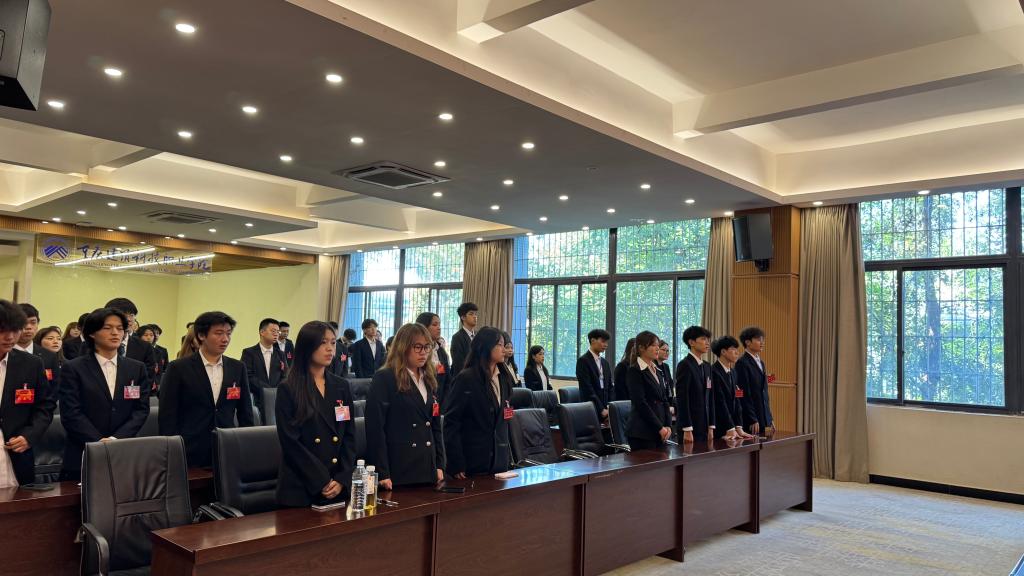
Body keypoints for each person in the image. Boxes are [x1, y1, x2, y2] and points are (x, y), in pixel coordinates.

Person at [58, 308, 150, 481]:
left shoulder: (136, 368)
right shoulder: (74, 368)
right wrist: (99, 442)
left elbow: (141, 410)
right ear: (92, 333)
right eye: (107, 328)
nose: (115, 333)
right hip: (83, 451)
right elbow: (71, 412)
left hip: (124, 450)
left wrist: (116, 439)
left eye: (120, 328)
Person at [275, 321, 357, 508]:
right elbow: (290, 442)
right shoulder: (288, 388)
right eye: (323, 343)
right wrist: (322, 480)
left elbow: (349, 435)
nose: (330, 348)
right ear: (307, 346)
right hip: (302, 486)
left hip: (337, 485)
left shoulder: (341, 386)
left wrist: (342, 478)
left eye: (333, 342)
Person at [159, 311, 255, 467]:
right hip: (190, 448)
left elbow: (245, 412)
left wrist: (246, 444)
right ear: (201, 335)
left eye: (228, 333)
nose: (225, 339)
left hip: (227, 447)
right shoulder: (178, 368)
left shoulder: (237, 368)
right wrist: (172, 450)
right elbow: (167, 415)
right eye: (219, 333)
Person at [366, 323, 445, 489]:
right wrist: (382, 472)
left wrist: (439, 464)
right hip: (399, 467)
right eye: (417, 347)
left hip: (427, 466)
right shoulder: (385, 377)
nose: (423, 352)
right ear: (403, 347)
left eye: (427, 347)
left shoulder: (428, 376)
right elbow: (375, 428)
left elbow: (435, 426)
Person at [443, 327, 511, 478]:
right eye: (499, 344)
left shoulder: (504, 377)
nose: (504, 349)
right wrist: (456, 462)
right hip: (473, 460)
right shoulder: (467, 378)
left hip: (499, 461)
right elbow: (451, 422)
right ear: (486, 346)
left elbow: (504, 418)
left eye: (504, 344)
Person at [0, 299, 55, 485]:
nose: (9, 337)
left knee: (19, 501)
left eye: (15, 330)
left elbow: (45, 406)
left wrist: (29, 436)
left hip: (16, 454)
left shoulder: (31, 364)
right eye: (2, 330)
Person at [625, 331, 672, 450]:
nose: (657, 348)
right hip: (642, 432)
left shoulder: (657, 370)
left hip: (660, 430)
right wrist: (659, 427)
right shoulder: (635, 370)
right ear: (641, 348)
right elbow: (640, 403)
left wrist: (668, 425)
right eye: (653, 345)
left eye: (658, 345)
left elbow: (664, 399)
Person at [675, 326, 715, 443]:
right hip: (690, 427)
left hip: (705, 425)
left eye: (708, 339)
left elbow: (710, 397)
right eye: (703, 339)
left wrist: (711, 426)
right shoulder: (685, 365)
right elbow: (682, 399)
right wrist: (687, 429)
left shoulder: (707, 366)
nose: (707, 343)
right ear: (691, 342)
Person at [710, 336, 754, 440]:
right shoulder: (713, 372)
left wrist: (739, 427)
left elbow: (738, 398)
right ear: (723, 352)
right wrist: (730, 428)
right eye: (733, 349)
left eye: (737, 349)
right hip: (720, 428)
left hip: (733, 427)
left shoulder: (734, 372)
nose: (737, 352)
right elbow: (720, 402)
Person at [16, 304, 62, 398]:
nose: (28, 327)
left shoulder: (49, 356)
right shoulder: (4, 353)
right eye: (23, 322)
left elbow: (54, 390)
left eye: (33, 322)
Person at [241, 318, 288, 410]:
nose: (276, 334)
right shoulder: (249, 353)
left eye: (278, 332)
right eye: (273, 331)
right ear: (262, 332)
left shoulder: (280, 354)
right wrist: (267, 390)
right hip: (256, 398)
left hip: (277, 399)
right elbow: (247, 375)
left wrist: (276, 390)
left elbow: (285, 375)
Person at [104, 297, 157, 379]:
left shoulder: (145, 347)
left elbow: (148, 377)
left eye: (132, 315)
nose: (129, 319)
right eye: (124, 315)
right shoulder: (94, 345)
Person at [735, 326, 774, 436]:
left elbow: (764, 393)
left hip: (763, 417)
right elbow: (743, 394)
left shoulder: (761, 363)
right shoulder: (742, 363)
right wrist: (752, 418)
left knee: (766, 443)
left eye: (762, 340)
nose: (762, 343)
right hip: (752, 419)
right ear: (748, 342)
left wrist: (770, 418)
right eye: (758, 339)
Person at [576, 329, 612, 421]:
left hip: (606, 407)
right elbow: (587, 388)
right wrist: (601, 409)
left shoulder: (605, 363)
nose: (606, 345)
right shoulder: (583, 361)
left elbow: (610, 387)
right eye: (603, 341)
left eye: (607, 342)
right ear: (593, 341)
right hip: (590, 407)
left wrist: (610, 407)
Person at [415, 312, 451, 403]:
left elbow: (447, 380)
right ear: (423, 327)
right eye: (434, 325)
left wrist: (444, 404)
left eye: (439, 325)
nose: (439, 328)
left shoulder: (441, 351)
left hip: (439, 402)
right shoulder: (416, 352)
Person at [449, 302, 478, 376]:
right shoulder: (457, 338)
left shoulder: (478, 335)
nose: (475, 316)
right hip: (464, 377)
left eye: (475, 314)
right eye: (471, 314)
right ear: (463, 317)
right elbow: (459, 364)